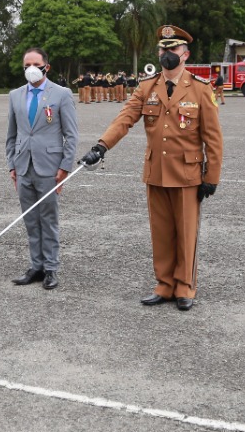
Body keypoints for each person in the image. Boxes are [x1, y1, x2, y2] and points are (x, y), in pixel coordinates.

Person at [80, 25, 223, 311]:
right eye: (163, 49)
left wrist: (212, 176)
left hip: (187, 174)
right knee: (160, 232)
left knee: (186, 232)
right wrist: (101, 146)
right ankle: (164, 284)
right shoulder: (147, 87)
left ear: (185, 54)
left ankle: (185, 286)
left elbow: (213, 137)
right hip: (156, 171)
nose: (166, 54)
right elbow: (124, 119)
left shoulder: (200, 88)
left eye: (172, 49)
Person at [6, 48, 79, 290]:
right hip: (23, 166)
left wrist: (65, 167)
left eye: (36, 63)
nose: (31, 68)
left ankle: (50, 268)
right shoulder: (15, 95)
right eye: (27, 64)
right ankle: (35, 266)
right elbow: (12, 134)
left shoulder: (61, 94)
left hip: (49, 168)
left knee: (48, 220)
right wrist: (11, 165)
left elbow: (71, 134)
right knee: (30, 220)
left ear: (46, 66)